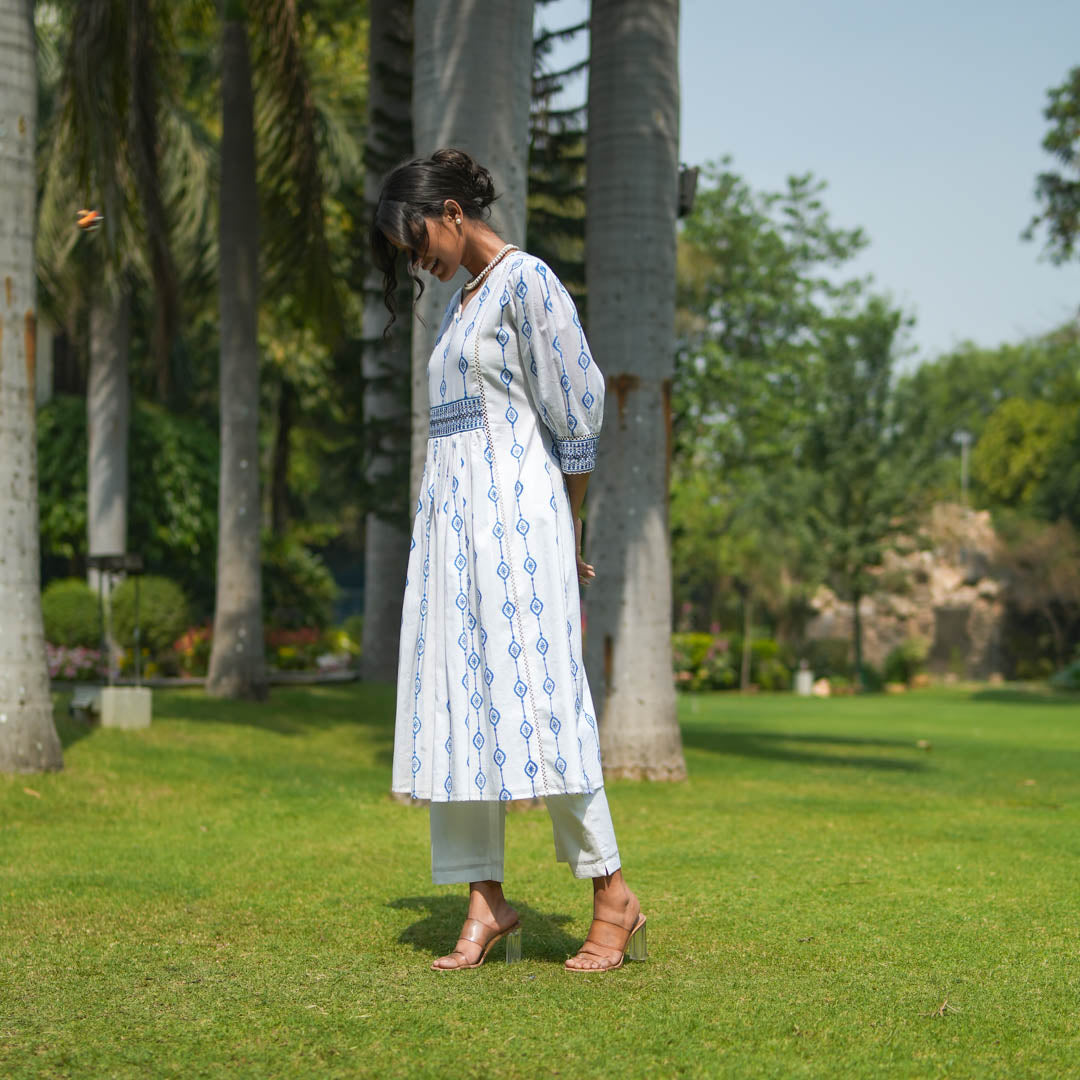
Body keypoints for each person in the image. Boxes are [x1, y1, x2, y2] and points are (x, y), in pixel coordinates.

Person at [371, 148, 645, 973]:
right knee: (452, 704)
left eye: (415, 234)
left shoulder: (528, 283)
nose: (414, 256)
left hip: (518, 529)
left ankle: (613, 894)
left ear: (452, 211)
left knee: (543, 700)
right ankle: (484, 900)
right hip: (453, 536)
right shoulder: (461, 302)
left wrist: (567, 526)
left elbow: (580, 403)